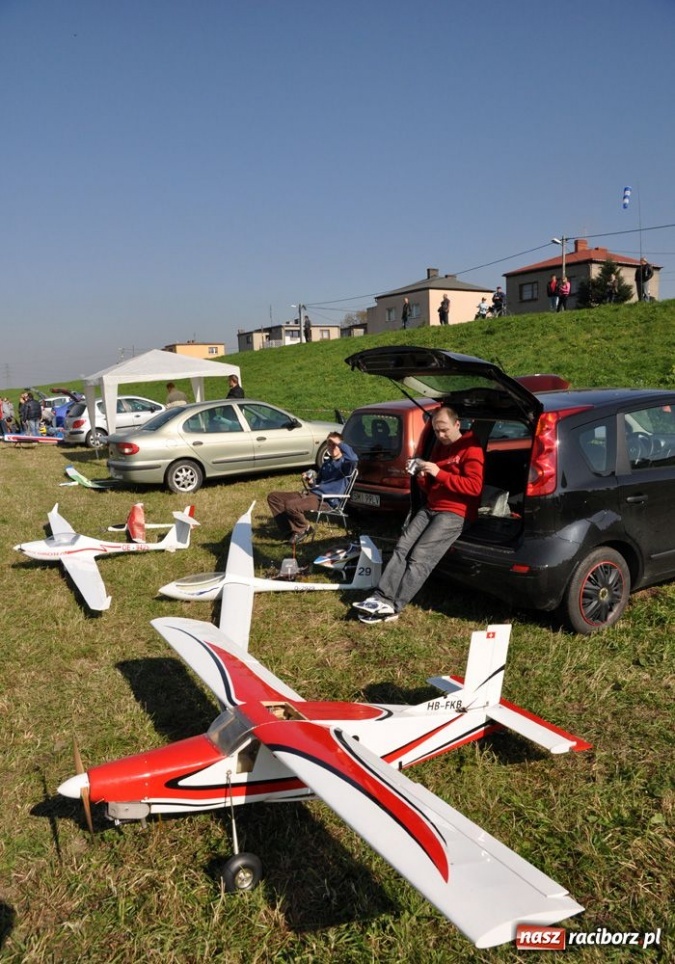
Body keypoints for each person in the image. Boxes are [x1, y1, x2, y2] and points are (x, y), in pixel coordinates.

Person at [353, 406, 484, 623]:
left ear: (457, 425)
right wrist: (421, 475)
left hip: (455, 512)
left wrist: (438, 472)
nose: (440, 436)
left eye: (444, 430)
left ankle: (395, 606)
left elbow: (474, 487)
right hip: (432, 506)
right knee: (402, 547)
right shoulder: (439, 446)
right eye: (436, 431)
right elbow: (430, 485)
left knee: (420, 556)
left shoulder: (471, 448)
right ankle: (381, 597)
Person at [267, 433, 358, 545]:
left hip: (325, 501)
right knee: (274, 497)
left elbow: (354, 459)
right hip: (312, 495)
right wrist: (310, 481)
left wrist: (338, 442)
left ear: (341, 445)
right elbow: (317, 483)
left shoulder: (345, 464)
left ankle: (304, 528)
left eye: (334, 445)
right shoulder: (327, 464)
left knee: (291, 505)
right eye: (329, 445)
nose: (332, 447)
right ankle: (290, 531)